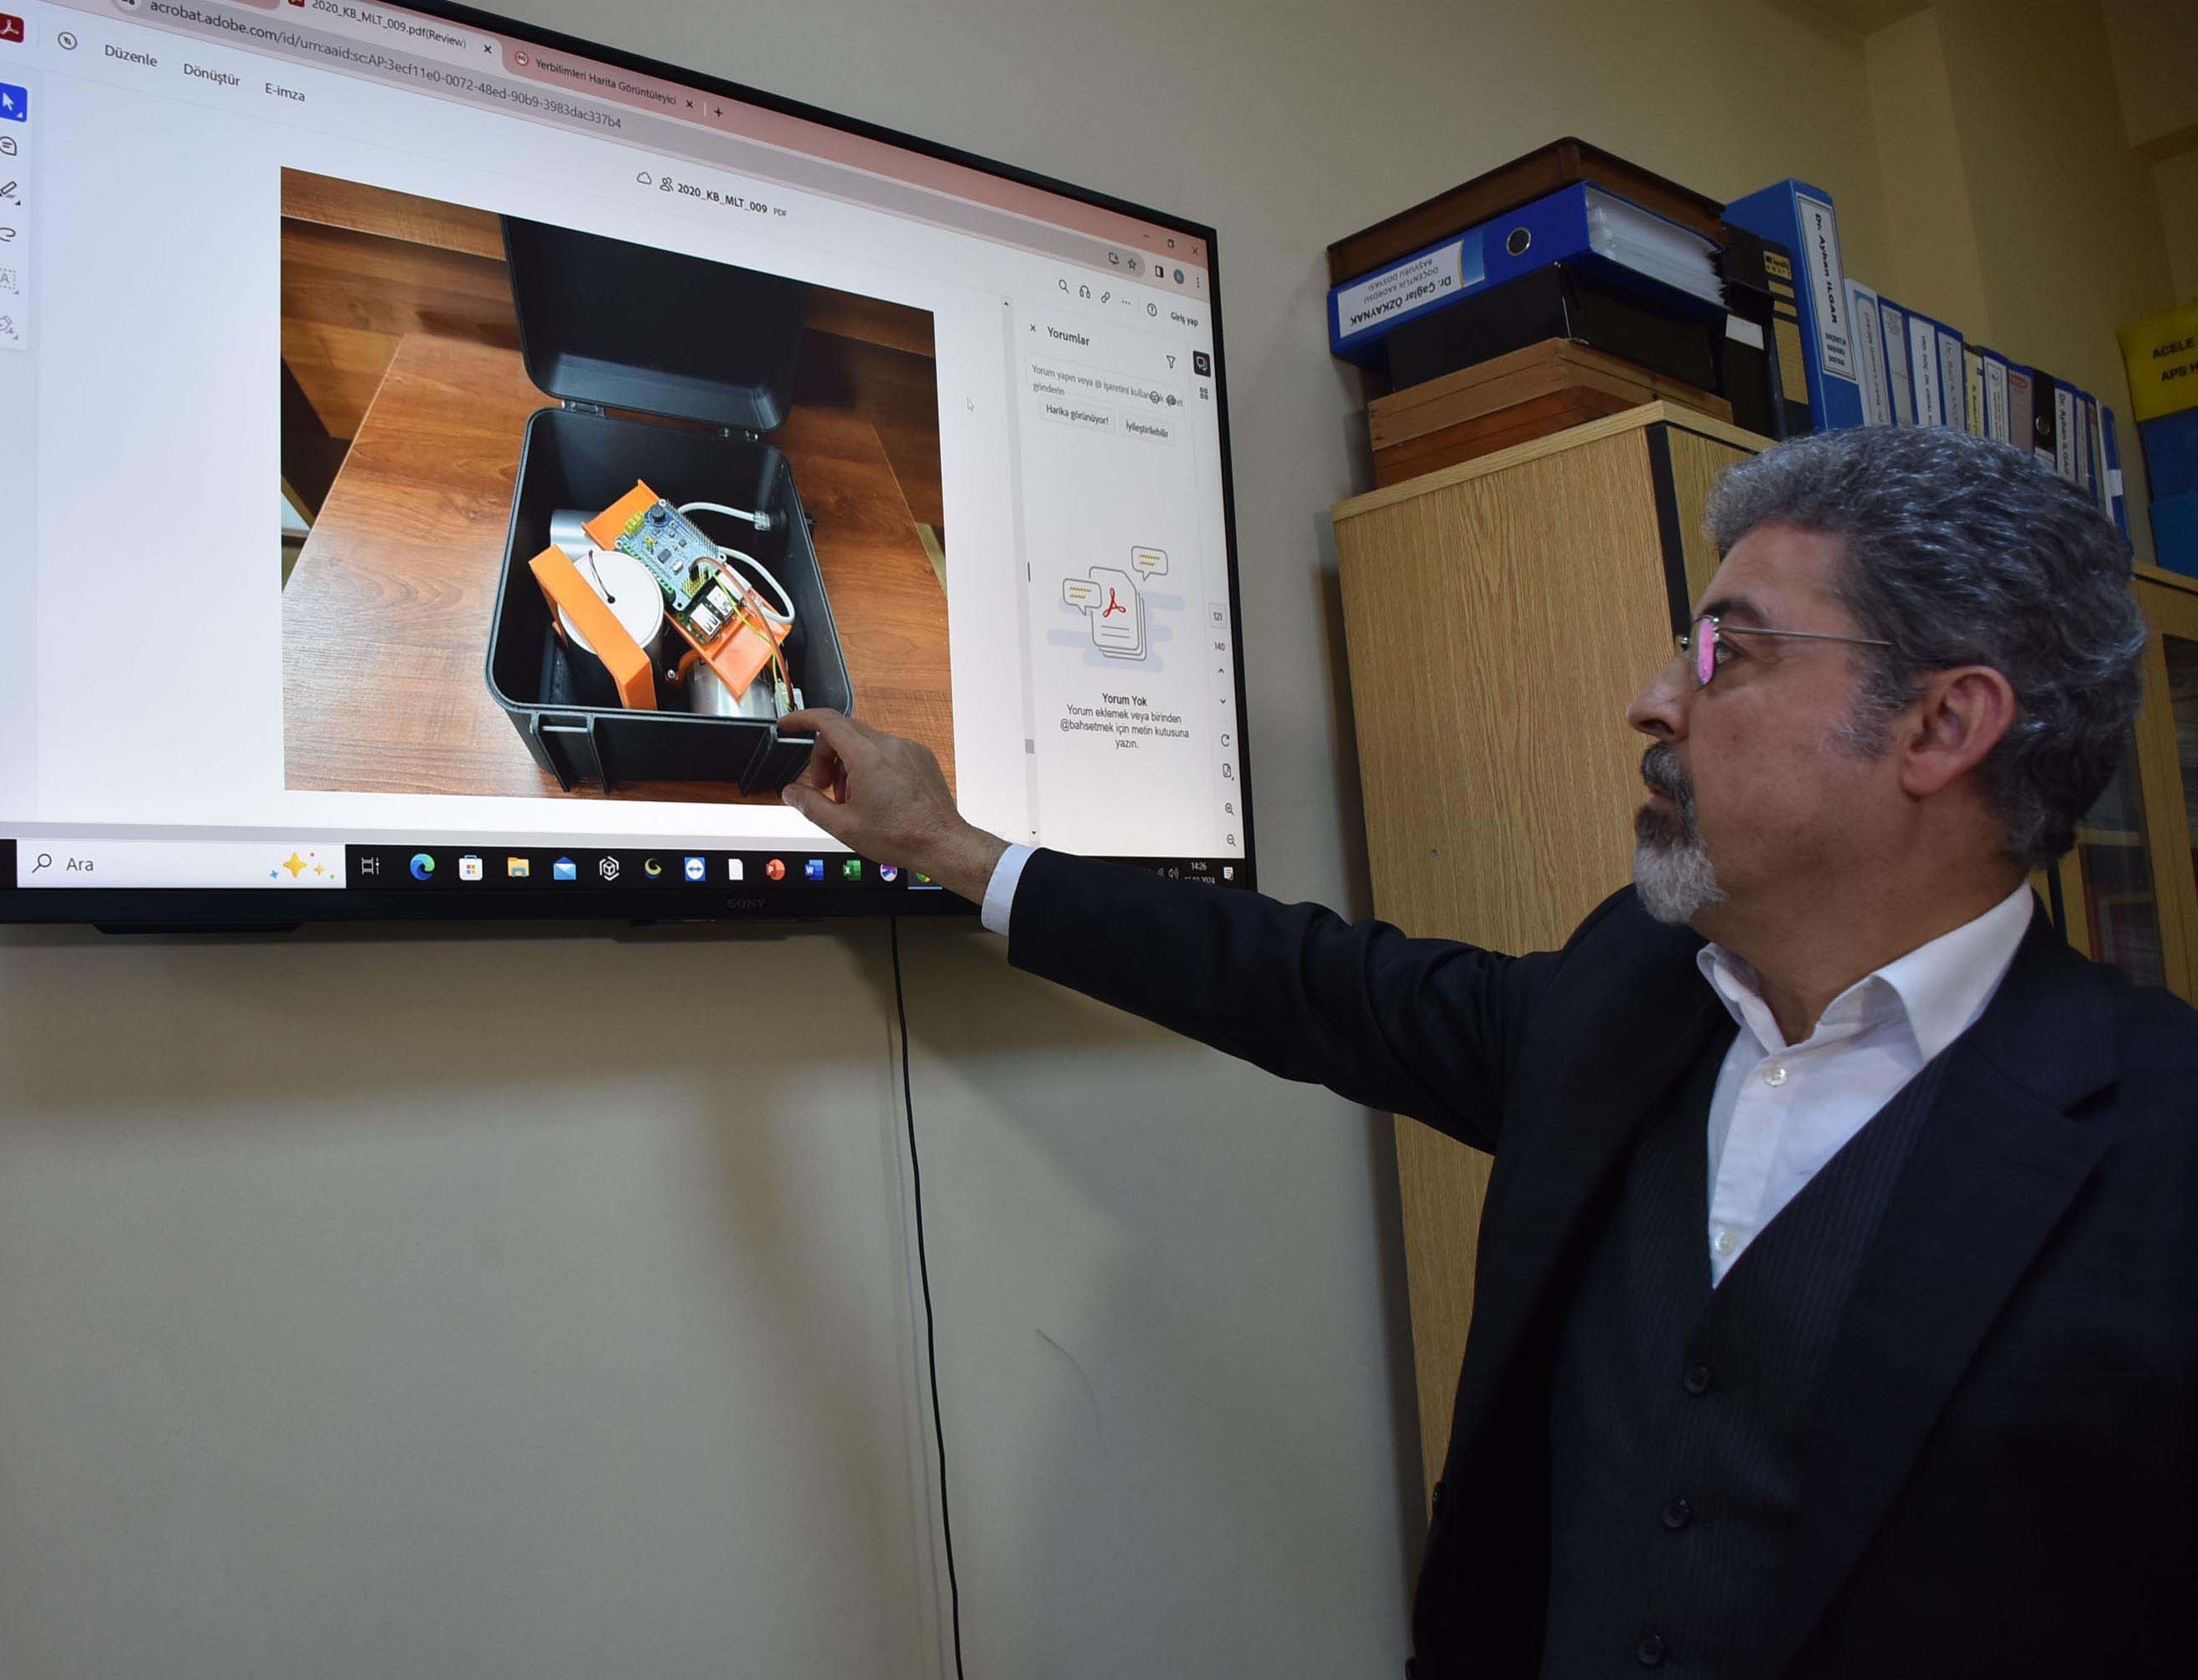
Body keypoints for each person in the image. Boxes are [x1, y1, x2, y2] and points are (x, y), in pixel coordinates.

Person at [777, 424, 2196, 1677]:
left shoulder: (2160, 1153)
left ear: (1944, 723)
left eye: (1728, 651)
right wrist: (951, 848)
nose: (1656, 698)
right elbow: (1314, 984)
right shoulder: (1629, 994)